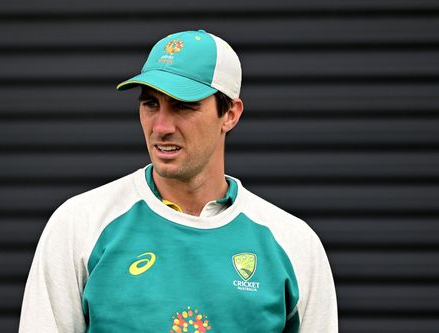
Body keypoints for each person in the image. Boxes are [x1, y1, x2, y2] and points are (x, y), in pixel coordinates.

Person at [19, 30, 337, 333]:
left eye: (183, 106)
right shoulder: (79, 224)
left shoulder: (294, 244)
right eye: (150, 103)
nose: (161, 126)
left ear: (230, 114)